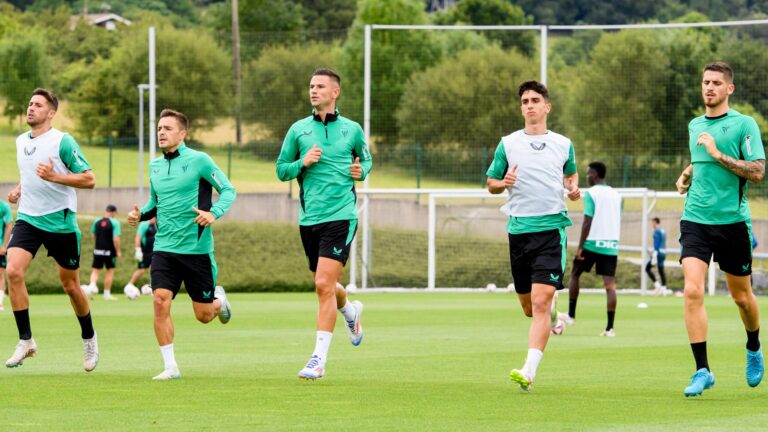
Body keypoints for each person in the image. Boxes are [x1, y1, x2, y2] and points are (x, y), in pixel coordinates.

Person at [674, 62, 766, 397]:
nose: (709, 87)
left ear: (729, 88)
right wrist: (688, 173)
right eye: (705, 82)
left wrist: (716, 153)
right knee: (692, 290)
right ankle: (702, 370)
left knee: (742, 298)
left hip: (732, 223)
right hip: (695, 219)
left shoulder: (744, 124)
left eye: (715, 83)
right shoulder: (695, 125)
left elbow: (757, 172)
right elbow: (700, 159)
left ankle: (753, 346)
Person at [276, 68, 372, 380]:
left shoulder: (352, 129)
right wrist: (302, 163)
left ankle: (318, 360)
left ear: (335, 92)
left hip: (341, 216)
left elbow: (366, 160)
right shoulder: (298, 130)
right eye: (311, 86)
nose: (313, 91)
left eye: (320, 86)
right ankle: (350, 311)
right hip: (309, 219)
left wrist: (361, 171)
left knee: (322, 285)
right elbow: (281, 170)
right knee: (325, 285)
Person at [127, 108, 236, 380]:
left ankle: (219, 302)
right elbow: (155, 203)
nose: (161, 132)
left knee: (203, 315)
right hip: (164, 248)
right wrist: (140, 215)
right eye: (159, 128)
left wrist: (213, 213)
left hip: (197, 250)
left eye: (167, 128)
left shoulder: (200, 160)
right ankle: (170, 367)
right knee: (160, 300)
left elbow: (228, 190)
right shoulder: (154, 166)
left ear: (182, 133)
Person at [486, 80, 580, 391]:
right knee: (530, 308)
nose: (530, 105)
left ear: (547, 107)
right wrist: (504, 182)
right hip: (519, 232)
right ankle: (552, 309)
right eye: (525, 101)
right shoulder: (508, 143)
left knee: (539, 302)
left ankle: (528, 370)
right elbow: (491, 182)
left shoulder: (563, 144)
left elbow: (571, 174)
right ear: (521, 108)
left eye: (535, 100)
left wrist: (573, 187)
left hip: (551, 231)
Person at [5, 88, 98, 371]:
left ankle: (89, 338)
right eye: (30, 103)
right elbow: (30, 173)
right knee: (13, 271)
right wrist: (19, 190)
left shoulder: (63, 142)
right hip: (28, 219)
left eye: (38, 105)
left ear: (51, 113)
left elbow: (89, 179)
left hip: (60, 222)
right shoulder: (21, 141)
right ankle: (26, 340)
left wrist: (55, 176)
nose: (31, 108)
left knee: (71, 286)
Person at [559, 161, 622, 337]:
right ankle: (610, 328)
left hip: (592, 242)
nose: (587, 176)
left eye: (588, 173)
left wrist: (580, 247)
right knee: (610, 285)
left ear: (595, 174)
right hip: (611, 244)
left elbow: (587, 221)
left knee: (575, 274)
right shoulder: (617, 195)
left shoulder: (591, 193)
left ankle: (571, 315)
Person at [86, 204, 121, 300]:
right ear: (113, 212)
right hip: (109, 252)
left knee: (95, 271)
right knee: (110, 271)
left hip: (97, 250)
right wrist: (118, 251)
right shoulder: (115, 222)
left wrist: (99, 243)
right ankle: (106, 294)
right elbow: (116, 239)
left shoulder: (96, 221)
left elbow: (93, 235)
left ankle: (92, 288)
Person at [124, 216, 157, 295]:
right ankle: (129, 285)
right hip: (145, 251)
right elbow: (138, 237)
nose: (156, 219)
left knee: (154, 268)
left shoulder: (155, 226)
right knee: (141, 269)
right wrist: (138, 250)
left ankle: (153, 286)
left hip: (153, 251)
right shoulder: (144, 224)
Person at [645, 217, 668, 296]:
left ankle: (657, 286)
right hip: (663, 252)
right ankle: (664, 290)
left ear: (655, 222)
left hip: (658, 253)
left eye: (652, 223)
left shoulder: (656, 231)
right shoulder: (663, 231)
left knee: (647, 268)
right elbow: (662, 243)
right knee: (661, 270)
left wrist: (654, 252)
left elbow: (657, 242)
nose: (652, 224)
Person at [0, 200, 13, 311]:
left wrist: (4, 246)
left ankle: (0, 302)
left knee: (0, 274)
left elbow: (9, 226)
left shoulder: (3, 207)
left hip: (0, 246)